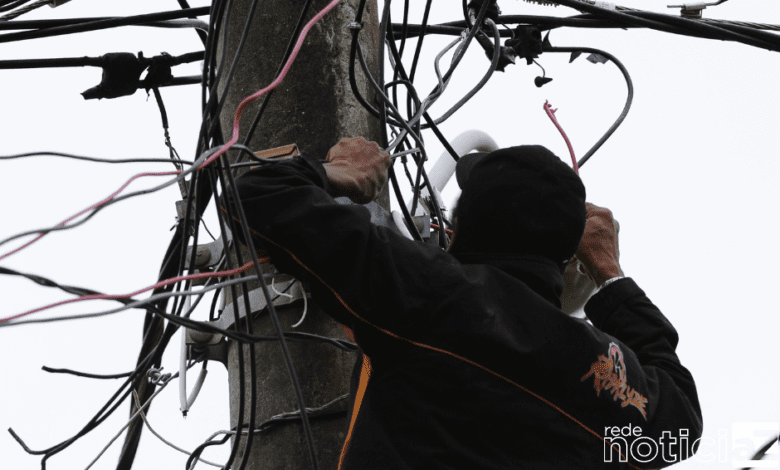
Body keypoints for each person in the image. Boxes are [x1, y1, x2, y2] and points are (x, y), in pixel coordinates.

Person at [234, 137, 702, 469]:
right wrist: (610, 273)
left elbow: (257, 199)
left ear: (460, 225)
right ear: (566, 257)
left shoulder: (432, 292)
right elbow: (679, 426)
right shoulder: (600, 369)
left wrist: (341, 173)